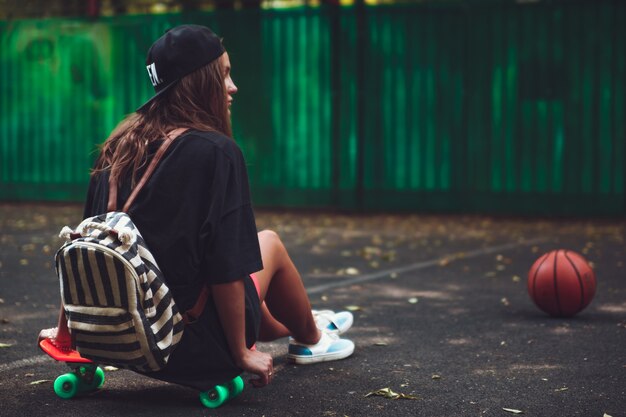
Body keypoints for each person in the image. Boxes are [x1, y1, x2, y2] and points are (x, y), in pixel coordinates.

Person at [39, 24, 355, 390]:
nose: (233, 86)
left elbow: (84, 244)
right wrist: (240, 352)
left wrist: (68, 332)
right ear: (199, 81)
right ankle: (313, 338)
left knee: (258, 303)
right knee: (268, 243)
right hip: (194, 348)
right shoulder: (217, 151)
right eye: (224, 74)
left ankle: (308, 322)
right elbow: (226, 264)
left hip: (121, 340)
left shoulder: (118, 146)